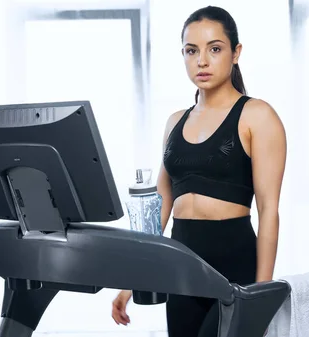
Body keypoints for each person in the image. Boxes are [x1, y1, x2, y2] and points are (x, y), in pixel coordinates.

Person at [111, 5, 286, 336]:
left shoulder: (257, 116)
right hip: (181, 265)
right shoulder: (175, 122)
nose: (202, 60)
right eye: (192, 51)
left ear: (236, 53)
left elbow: (270, 211)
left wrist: (262, 294)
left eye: (215, 49)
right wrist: (131, 283)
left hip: (234, 264)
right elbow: (158, 211)